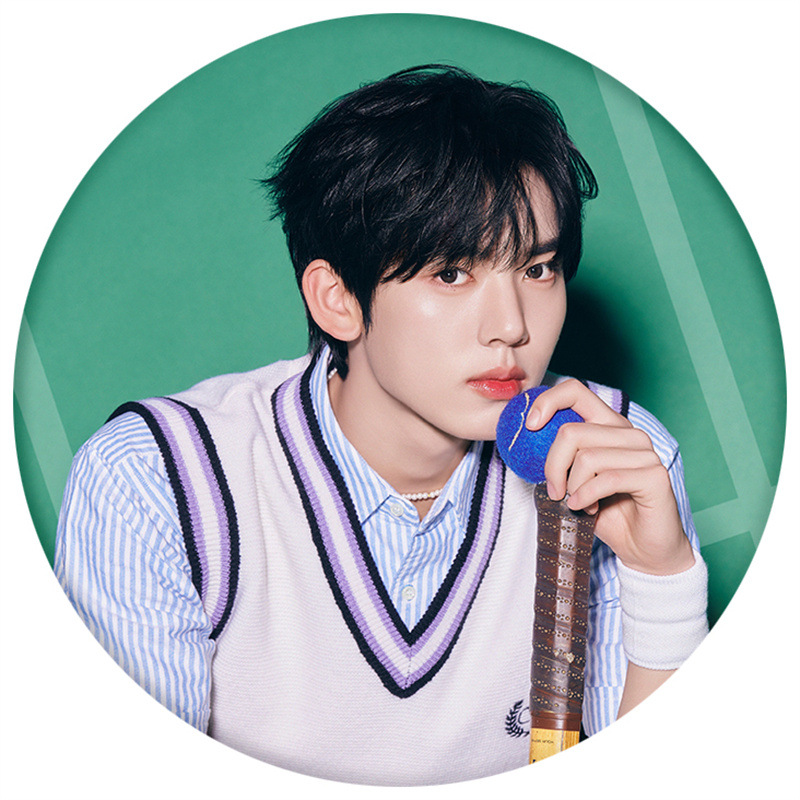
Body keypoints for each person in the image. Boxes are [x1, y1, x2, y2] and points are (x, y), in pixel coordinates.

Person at [55, 65, 708, 786]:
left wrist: (663, 579)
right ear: (337, 298)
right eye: (451, 274)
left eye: (538, 269)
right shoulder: (158, 479)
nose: (512, 327)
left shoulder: (615, 454)